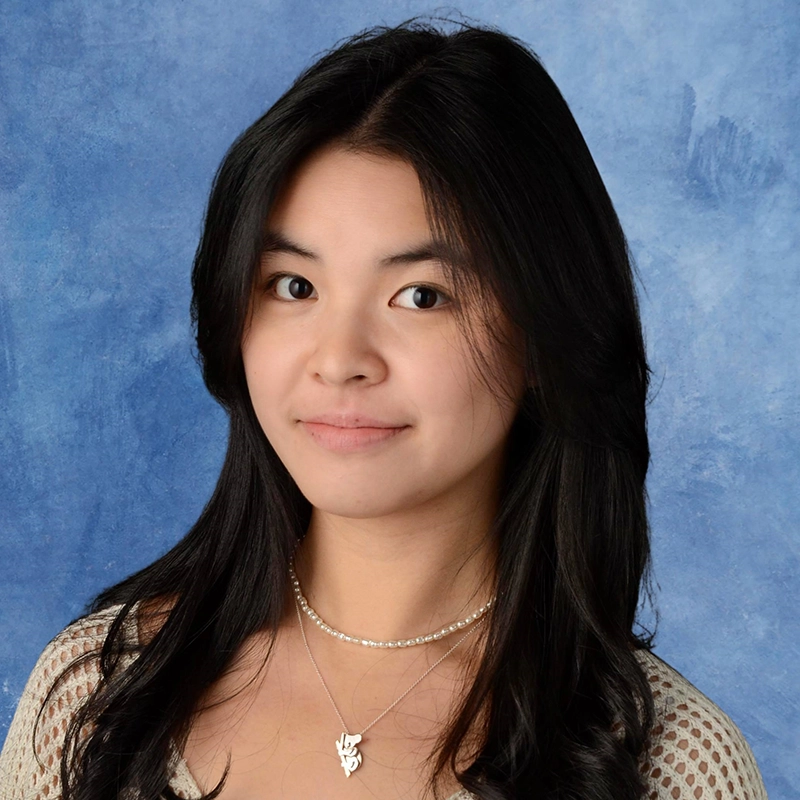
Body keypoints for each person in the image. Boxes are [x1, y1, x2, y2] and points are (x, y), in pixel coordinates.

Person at [0, 17, 767, 800]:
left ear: (543, 333)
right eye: (293, 286)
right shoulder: (93, 702)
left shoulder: (668, 766)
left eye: (421, 295)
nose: (339, 360)